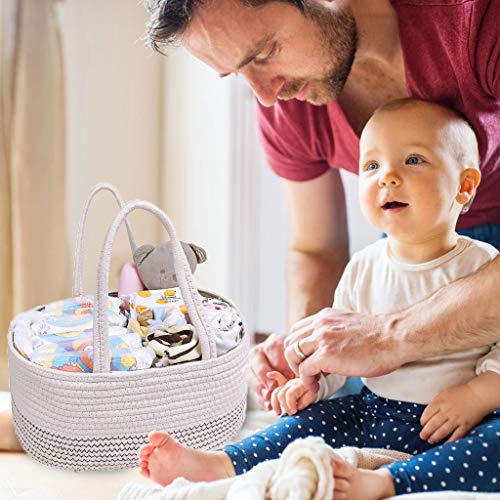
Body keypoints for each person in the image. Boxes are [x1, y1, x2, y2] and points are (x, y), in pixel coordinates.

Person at [143, 0, 500, 410]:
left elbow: (388, 335)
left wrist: (389, 336)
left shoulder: (478, 21)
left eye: (263, 53)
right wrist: (305, 354)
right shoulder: (287, 106)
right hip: (410, 260)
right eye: (239, 73)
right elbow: (317, 251)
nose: (264, 95)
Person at [137, 99, 500, 498]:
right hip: (375, 412)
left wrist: (477, 396)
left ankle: (387, 482)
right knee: (311, 420)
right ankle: (221, 464)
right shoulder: (364, 267)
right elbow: (340, 352)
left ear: (464, 185)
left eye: (413, 160)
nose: (388, 178)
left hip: (462, 421)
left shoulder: (483, 266)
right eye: (372, 166)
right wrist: (313, 383)